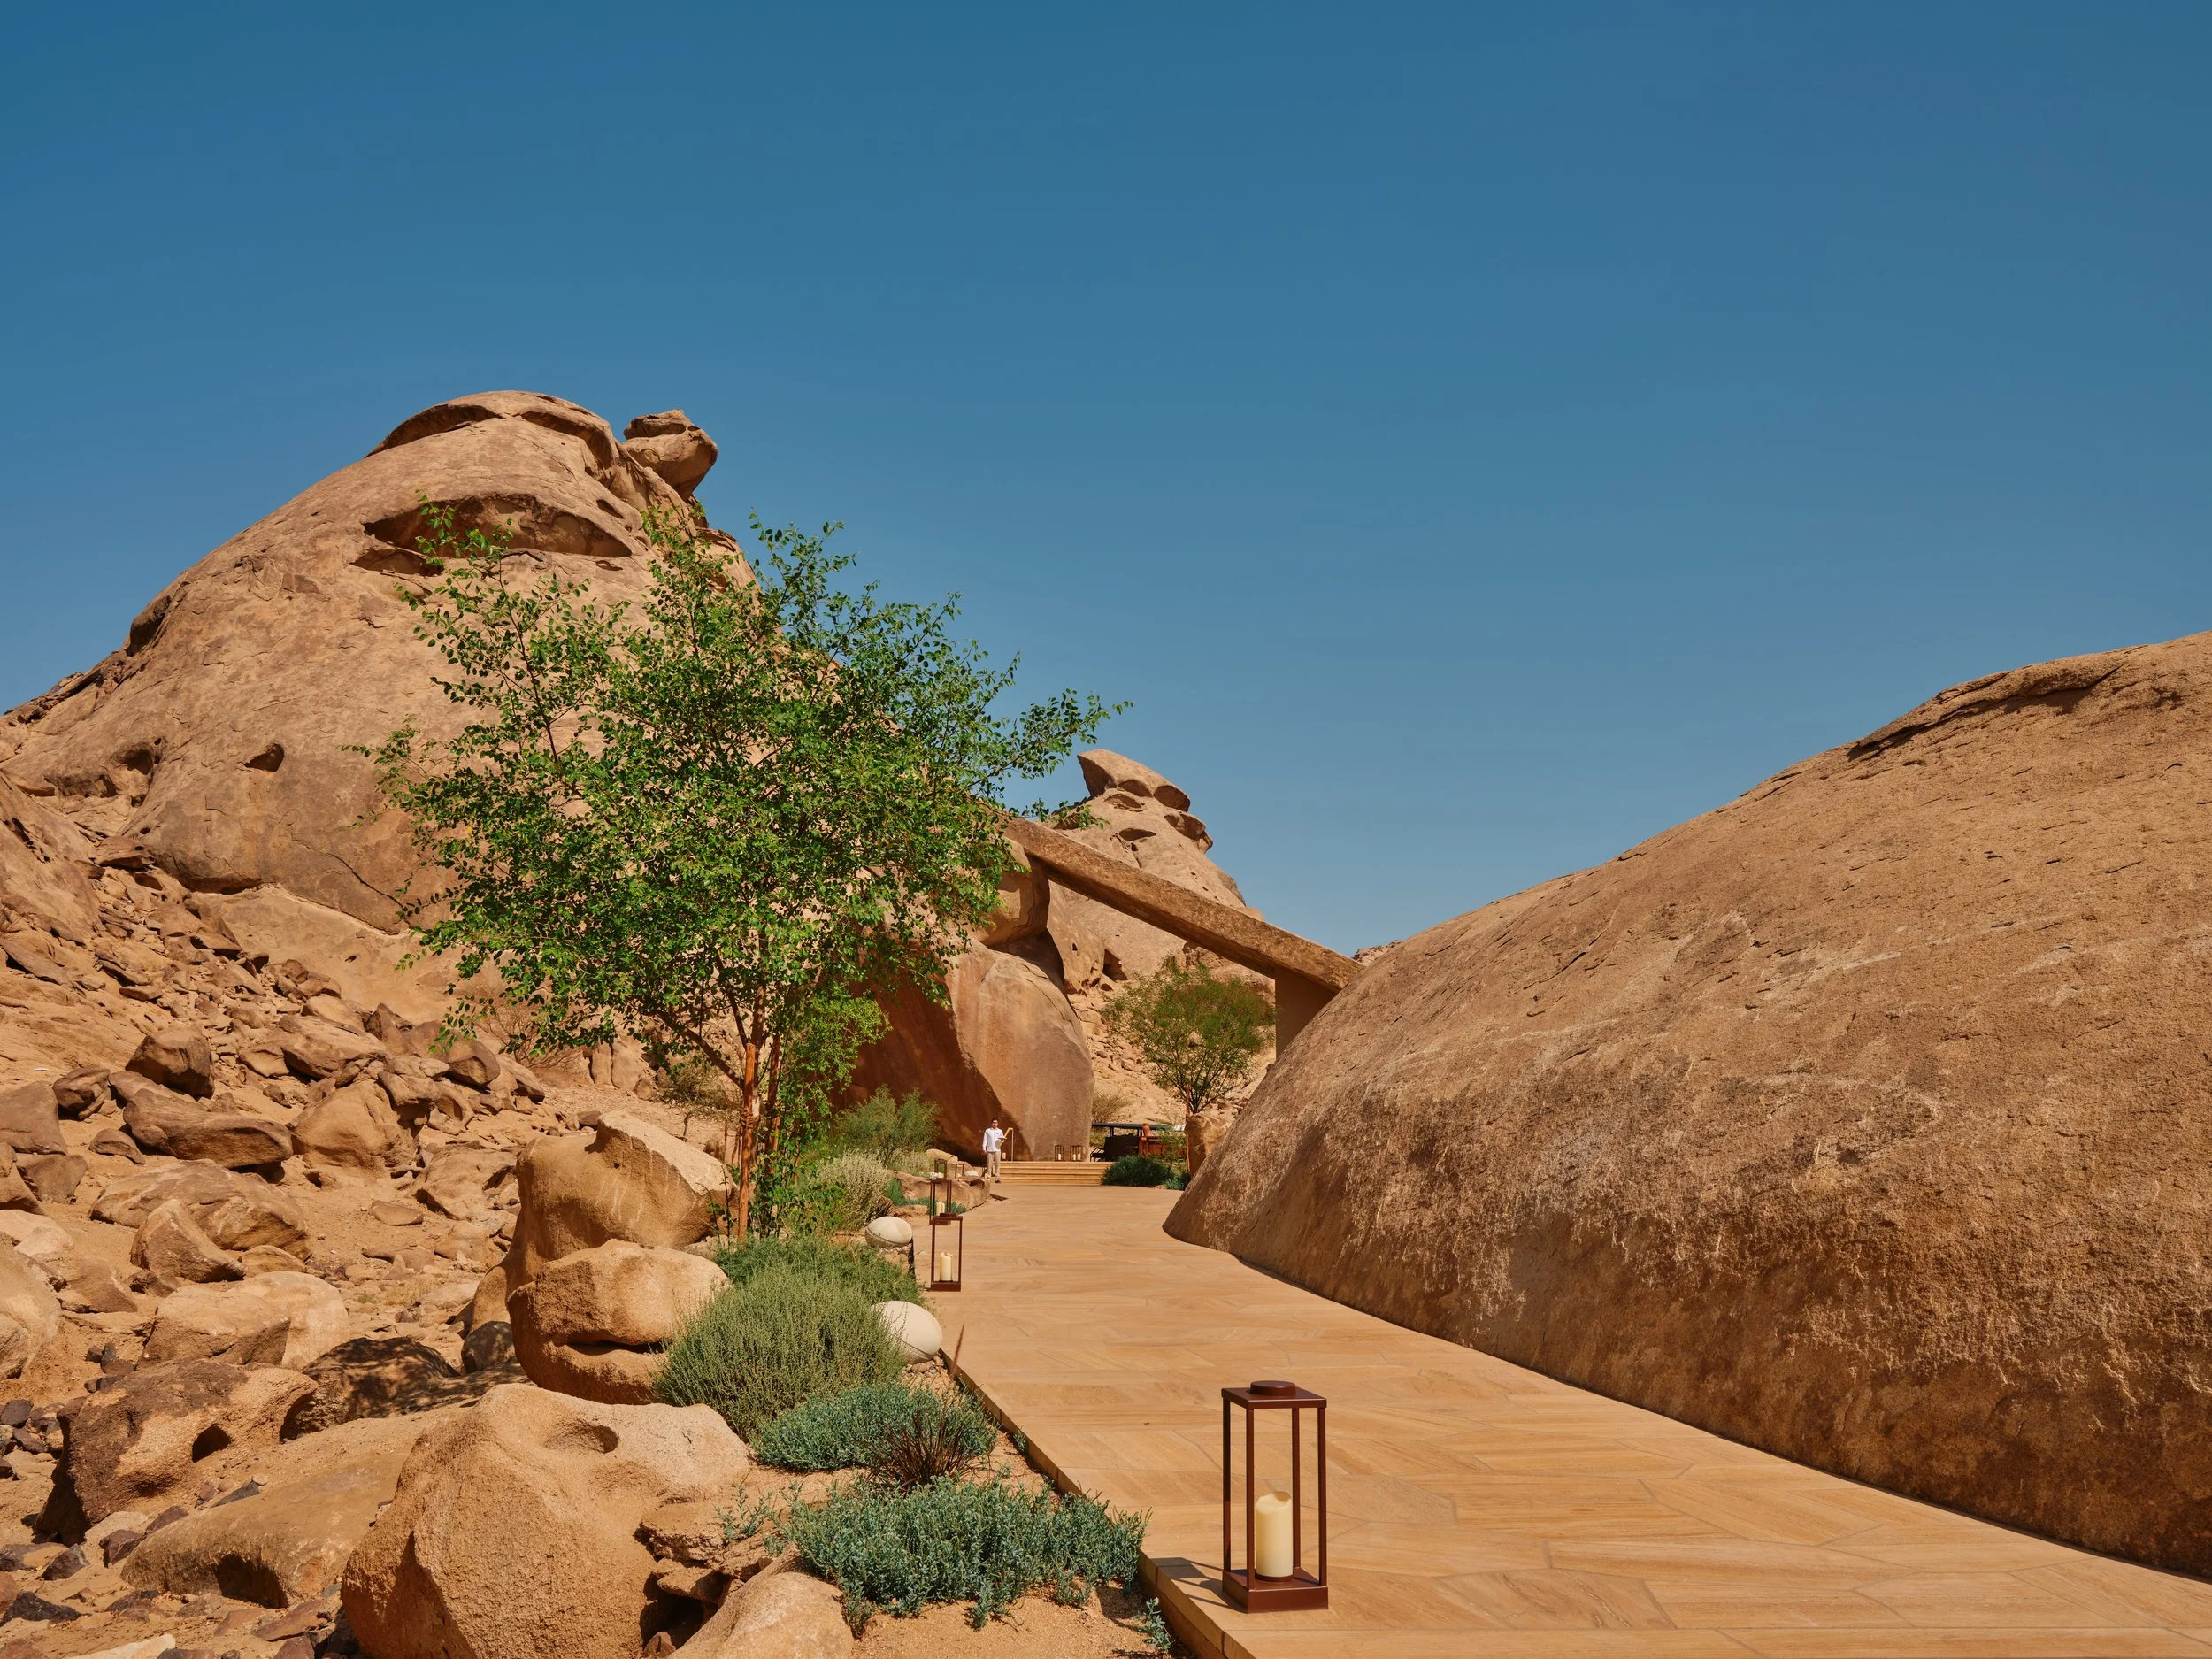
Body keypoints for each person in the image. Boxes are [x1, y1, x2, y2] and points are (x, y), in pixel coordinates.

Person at [980, 1118, 1006, 1184]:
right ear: (991, 1123)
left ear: (998, 1124)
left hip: (997, 1150)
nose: (994, 1124)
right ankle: (988, 1178)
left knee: (997, 1164)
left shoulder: (1000, 1131)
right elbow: (985, 1140)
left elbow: (1002, 1140)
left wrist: (1002, 1140)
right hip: (990, 1150)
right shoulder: (988, 1131)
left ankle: (997, 1178)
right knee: (989, 1165)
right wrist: (984, 1149)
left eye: (996, 1122)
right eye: (993, 1122)